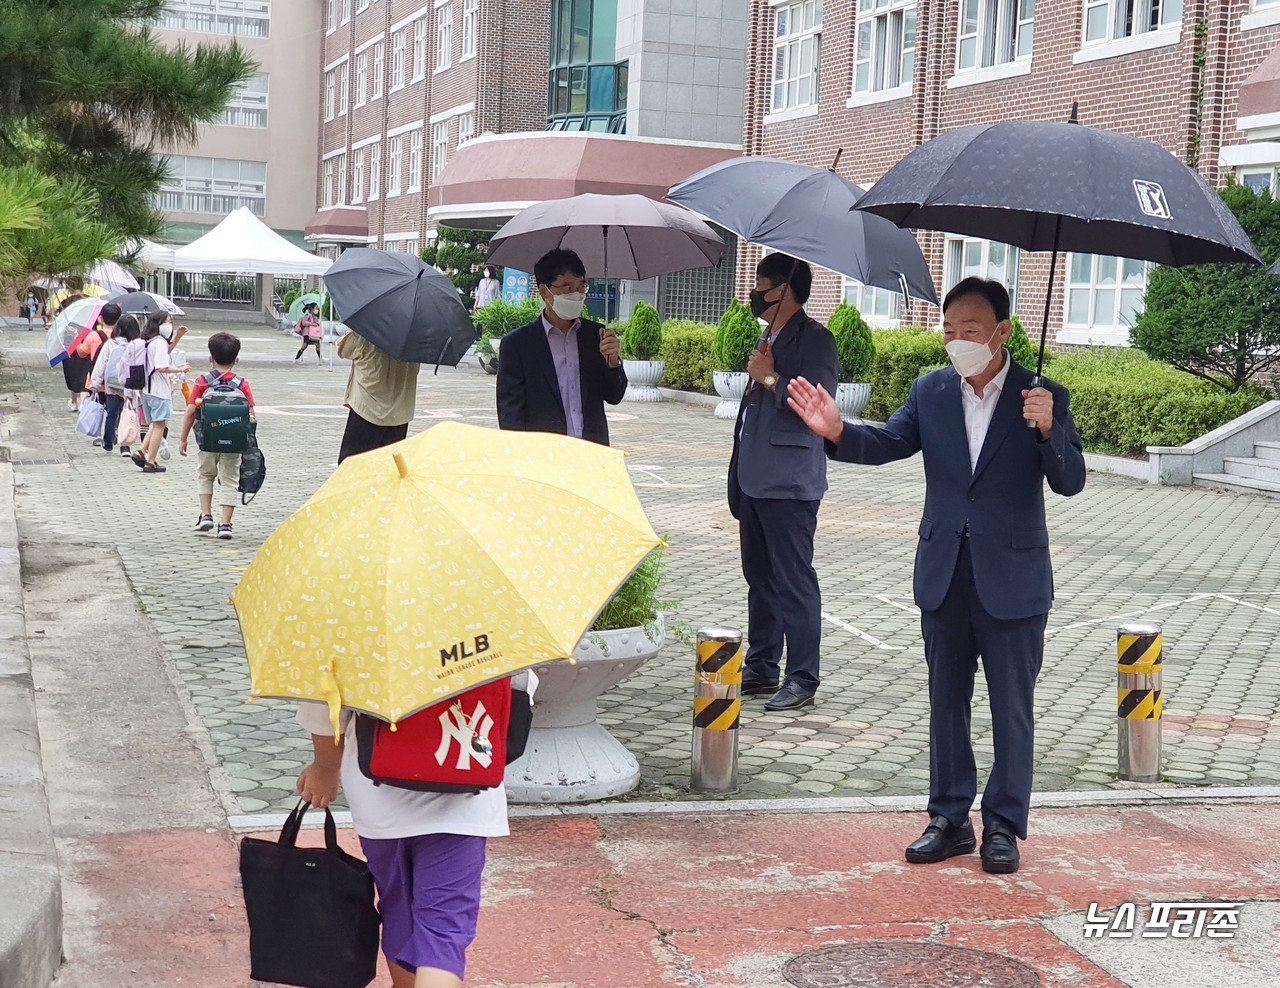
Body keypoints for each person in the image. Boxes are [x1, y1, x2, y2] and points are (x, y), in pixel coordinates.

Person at [786, 277, 1086, 874]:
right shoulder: (932, 390)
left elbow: (1070, 480)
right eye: (948, 330)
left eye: (969, 331)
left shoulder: (1041, 393)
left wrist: (1050, 431)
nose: (956, 341)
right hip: (944, 571)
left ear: (1001, 331)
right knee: (946, 703)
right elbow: (891, 442)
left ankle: (1004, 824)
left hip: (1013, 577)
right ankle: (949, 819)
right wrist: (837, 431)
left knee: (1012, 707)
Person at [294, 674, 533, 988]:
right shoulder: (491, 628)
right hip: (464, 798)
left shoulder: (361, 631)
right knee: (443, 930)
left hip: (380, 800)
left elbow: (325, 700)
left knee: (398, 910)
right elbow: (520, 692)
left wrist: (325, 767)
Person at [727, 255, 839, 713]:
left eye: (761, 285)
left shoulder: (817, 341)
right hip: (753, 477)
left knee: (793, 580)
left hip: (790, 483)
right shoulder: (766, 335)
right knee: (760, 576)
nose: (754, 293)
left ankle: (802, 676)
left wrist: (769, 377)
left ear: (784, 291)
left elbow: (815, 406)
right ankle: (762, 664)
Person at [495, 249, 626, 446]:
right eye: (567, 287)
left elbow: (614, 396)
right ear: (544, 292)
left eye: (581, 286)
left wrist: (613, 361)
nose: (577, 294)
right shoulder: (518, 345)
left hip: (591, 452)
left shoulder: (596, 336)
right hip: (544, 456)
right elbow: (510, 415)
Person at [180, 332, 255, 539]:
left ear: (210, 358)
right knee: (230, 480)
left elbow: (189, 412)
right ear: (236, 360)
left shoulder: (203, 382)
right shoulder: (242, 384)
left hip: (207, 440)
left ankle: (206, 515)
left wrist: (184, 438)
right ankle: (226, 524)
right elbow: (252, 416)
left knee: (205, 475)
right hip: (234, 442)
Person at [336, 330, 421, 462]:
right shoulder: (414, 338)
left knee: (352, 466)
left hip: (368, 408)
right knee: (387, 470)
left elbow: (342, 349)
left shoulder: (368, 330)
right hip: (399, 414)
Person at [132, 311, 190, 473]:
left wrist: (177, 336)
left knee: (155, 423)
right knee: (160, 425)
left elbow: (166, 352)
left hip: (147, 389)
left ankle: (141, 451)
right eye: (167, 322)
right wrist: (180, 368)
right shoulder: (158, 342)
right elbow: (161, 367)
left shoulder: (150, 341)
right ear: (157, 323)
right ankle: (150, 461)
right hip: (158, 390)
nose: (169, 325)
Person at [87, 303, 126, 451]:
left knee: (101, 410)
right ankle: (118, 434)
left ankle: (102, 436)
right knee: (115, 411)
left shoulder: (93, 335)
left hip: (99, 382)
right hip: (117, 382)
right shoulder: (123, 339)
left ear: (101, 318)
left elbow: (82, 352)